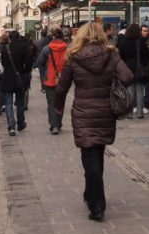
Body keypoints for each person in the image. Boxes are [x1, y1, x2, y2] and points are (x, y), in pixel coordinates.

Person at [54, 21, 133, 222]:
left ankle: (97, 205)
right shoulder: (111, 54)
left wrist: (58, 107)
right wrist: (112, 83)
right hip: (105, 111)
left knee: (89, 157)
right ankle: (92, 194)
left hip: (83, 112)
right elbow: (128, 76)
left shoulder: (73, 56)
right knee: (97, 154)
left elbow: (62, 87)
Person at [117, 23, 149, 119]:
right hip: (139, 69)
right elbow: (148, 56)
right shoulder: (140, 42)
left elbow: (121, 56)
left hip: (128, 69)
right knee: (140, 91)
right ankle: (140, 113)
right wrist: (144, 65)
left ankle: (130, 114)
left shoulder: (124, 42)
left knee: (130, 92)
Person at [0, 31, 33, 135]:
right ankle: (20, 123)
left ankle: (11, 126)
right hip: (20, 78)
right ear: (19, 37)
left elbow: (4, 63)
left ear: (9, 38)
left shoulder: (5, 48)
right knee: (20, 102)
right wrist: (24, 71)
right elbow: (28, 64)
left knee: (8, 103)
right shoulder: (24, 47)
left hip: (8, 77)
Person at [36, 27, 68, 134]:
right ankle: (58, 123)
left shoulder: (47, 48)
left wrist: (46, 67)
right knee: (61, 102)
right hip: (63, 79)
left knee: (51, 103)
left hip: (50, 79)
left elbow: (40, 61)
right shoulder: (67, 48)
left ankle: (54, 125)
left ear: (53, 36)